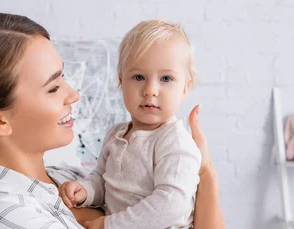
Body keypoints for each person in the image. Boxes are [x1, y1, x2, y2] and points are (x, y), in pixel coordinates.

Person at [0, 13, 225, 229]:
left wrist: (204, 171)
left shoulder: (63, 180)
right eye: (53, 87)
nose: (73, 95)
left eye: (63, 78)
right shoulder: (7, 217)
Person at [59, 19, 203, 229]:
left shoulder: (175, 144)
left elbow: (170, 206)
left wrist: (109, 225)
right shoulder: (115, 134)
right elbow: (102, 179)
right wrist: (86, 190)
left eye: (166, 79)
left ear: (185, 87)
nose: (150, 90)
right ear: (121, 82)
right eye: (138, 77)